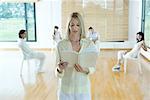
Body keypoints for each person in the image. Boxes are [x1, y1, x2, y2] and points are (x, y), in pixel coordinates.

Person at [55, 12, 99, 100]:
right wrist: (59, 69)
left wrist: (85, 70)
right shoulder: (61, 45)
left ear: (81, 26)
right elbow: (56, 72)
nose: (75, 28)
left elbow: (93, 67)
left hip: (83, 90)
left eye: (78, 25)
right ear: (68, 26)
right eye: (72, 25)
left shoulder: (89, 44)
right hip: (65, 90)